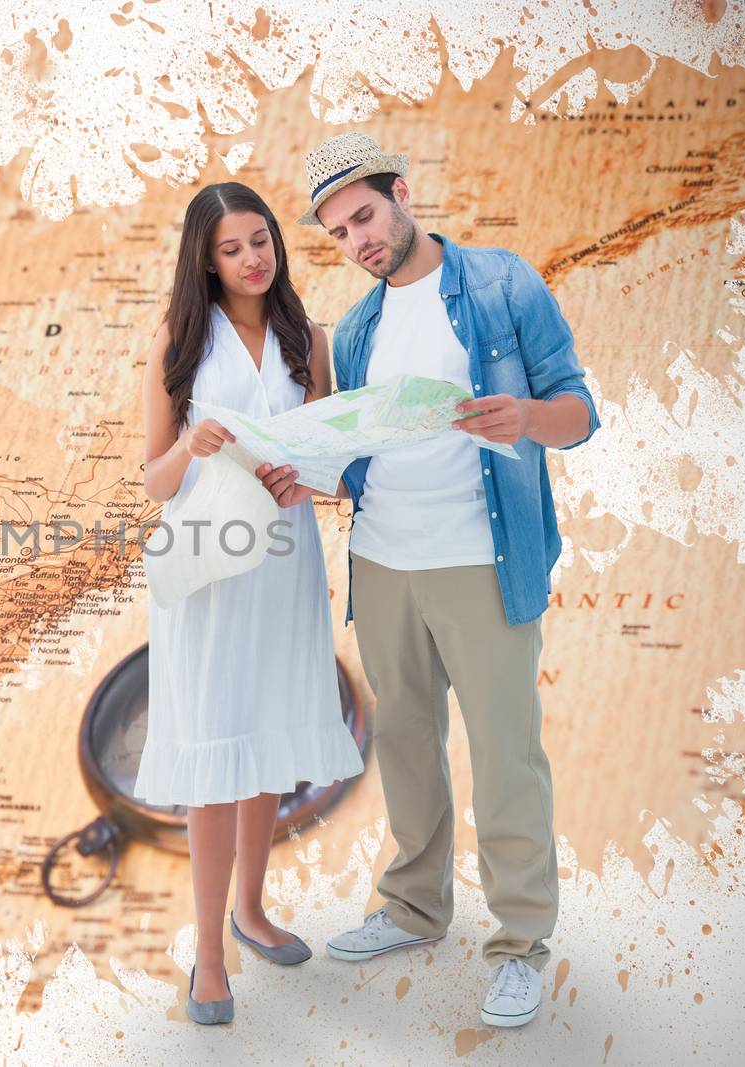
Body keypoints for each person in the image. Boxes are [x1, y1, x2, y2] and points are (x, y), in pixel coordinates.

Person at [262, 132, 600, 1029]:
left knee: (504, 754)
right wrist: (307, 470)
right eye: (338, 234)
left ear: (402, 194)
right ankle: (414, 908)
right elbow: (356, 449)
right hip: (382, 559)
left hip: (480, 562)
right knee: (406, 744)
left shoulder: (501, 284)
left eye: (365, 217)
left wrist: (525, 415)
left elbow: (580, 413)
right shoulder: (361, 325)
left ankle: (521, 942)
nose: (358, 242)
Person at [134, 181, 366, 1026]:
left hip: (282, 561)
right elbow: (155, 481)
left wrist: (300, 477)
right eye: (232, 248)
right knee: (214, 748)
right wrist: (193, 445)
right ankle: (207, 950)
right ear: (205, 257)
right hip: (208, 568)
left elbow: (324, 460)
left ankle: (253, 909)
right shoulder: (178, 340)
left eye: (261, 240)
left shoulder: (307, 335)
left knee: (267, 736)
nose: (252, 259)